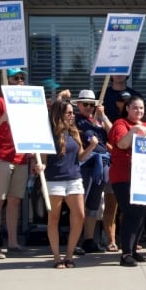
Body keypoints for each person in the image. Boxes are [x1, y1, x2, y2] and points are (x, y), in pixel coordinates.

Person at [39, 101, 98, 268]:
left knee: (80, 216)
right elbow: (43, 160)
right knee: (54, 218)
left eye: (73, 112)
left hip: (74, 178)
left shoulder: (74, 132)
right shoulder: (49, 134)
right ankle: (57, 257)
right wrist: (40, 167)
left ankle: (69, 255)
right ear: (59, 114)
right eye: (69, 113)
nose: (73, 116)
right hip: (54, 179)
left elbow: (80, 158)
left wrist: (92, 146)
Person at [109, 95, 146, 266]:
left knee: (141, 213)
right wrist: (134, 131)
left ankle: (132, 249)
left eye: (141, 108)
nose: (139, 111)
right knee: (132, 212)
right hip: (123, 176)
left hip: (144, 177)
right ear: (127, 109)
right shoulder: (120, 124)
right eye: (135, 108)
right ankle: (125, 254)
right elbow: (122, 145)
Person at [0, 68, 29, 259]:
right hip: (0, 158)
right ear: (7, 80)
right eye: (15, 78)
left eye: (21, 78)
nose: (19, 81)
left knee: (15, 201)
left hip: (21, 157)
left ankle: (12, 242)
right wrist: (3, 118)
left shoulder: (26, 103)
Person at [72, 89, 112, 253]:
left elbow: (113, 134)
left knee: (93, 205)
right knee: (80, 205)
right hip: (85, 165)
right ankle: (74, 241)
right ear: (79, 105)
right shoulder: (76, 120)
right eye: (85, 104)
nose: (89, 107)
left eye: (91, 104)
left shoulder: (98, 121)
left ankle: (89, 239)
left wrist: (103, 116)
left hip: (101, 166)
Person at [101, 90, 134, 252]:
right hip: (112, 167)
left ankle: (126, 240)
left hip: (132, 170)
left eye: (129, 101)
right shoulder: (118, 121)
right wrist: (102, 116)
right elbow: (116, 141)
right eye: (123, 101)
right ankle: (111, 240)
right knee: (111, 206)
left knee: (128, 209)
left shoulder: (135, 121)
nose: (125, 104)